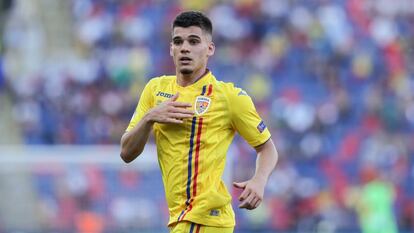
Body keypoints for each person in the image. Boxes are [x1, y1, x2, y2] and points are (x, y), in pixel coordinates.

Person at [120, 11, 278, 233]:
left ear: (210, 49)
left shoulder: (229, 97)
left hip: (204, 219)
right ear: (171, 49)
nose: (185, 47)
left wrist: (259, 181)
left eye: (194, 41)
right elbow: (126, 153)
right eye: (178, 41)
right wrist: (149, 118)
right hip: (181, 219)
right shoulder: (155, 90)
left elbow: (267, 148)